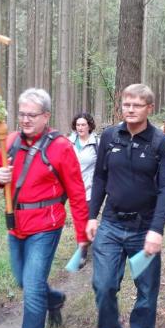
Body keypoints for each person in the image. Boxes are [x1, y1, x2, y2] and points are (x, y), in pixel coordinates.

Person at [0, 88, 90, 328]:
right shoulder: (9, 141)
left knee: (32, 291)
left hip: (46, 226)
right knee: (23, 280)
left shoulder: (61, 147)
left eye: (31, 115)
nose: (25, 119)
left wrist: (82, 236)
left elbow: (77, 193)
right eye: (22, 114)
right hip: (15, 224)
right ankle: (54, 299)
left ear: (46, 116)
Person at [87, 84, 165, 328]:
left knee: (147, 289)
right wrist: (91, 215)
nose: (130, 109)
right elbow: (100, 177)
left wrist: (156, 230)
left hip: (144, 227)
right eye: (126, 104)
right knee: (103, 285)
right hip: (111, 224)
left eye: (137, 105)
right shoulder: (109, 137)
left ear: (150, 108)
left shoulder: (161, 143)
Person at [68, 112, 100, 268]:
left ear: (89, 126)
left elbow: (102, 166)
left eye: (83, 125)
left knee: (85, 219)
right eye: (78, 125)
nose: (80, 128)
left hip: (90, 188)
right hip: (73, 189)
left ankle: (82, 252)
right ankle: (88, 241)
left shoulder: (96, 143)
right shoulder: (69, 142)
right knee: (79, 220)